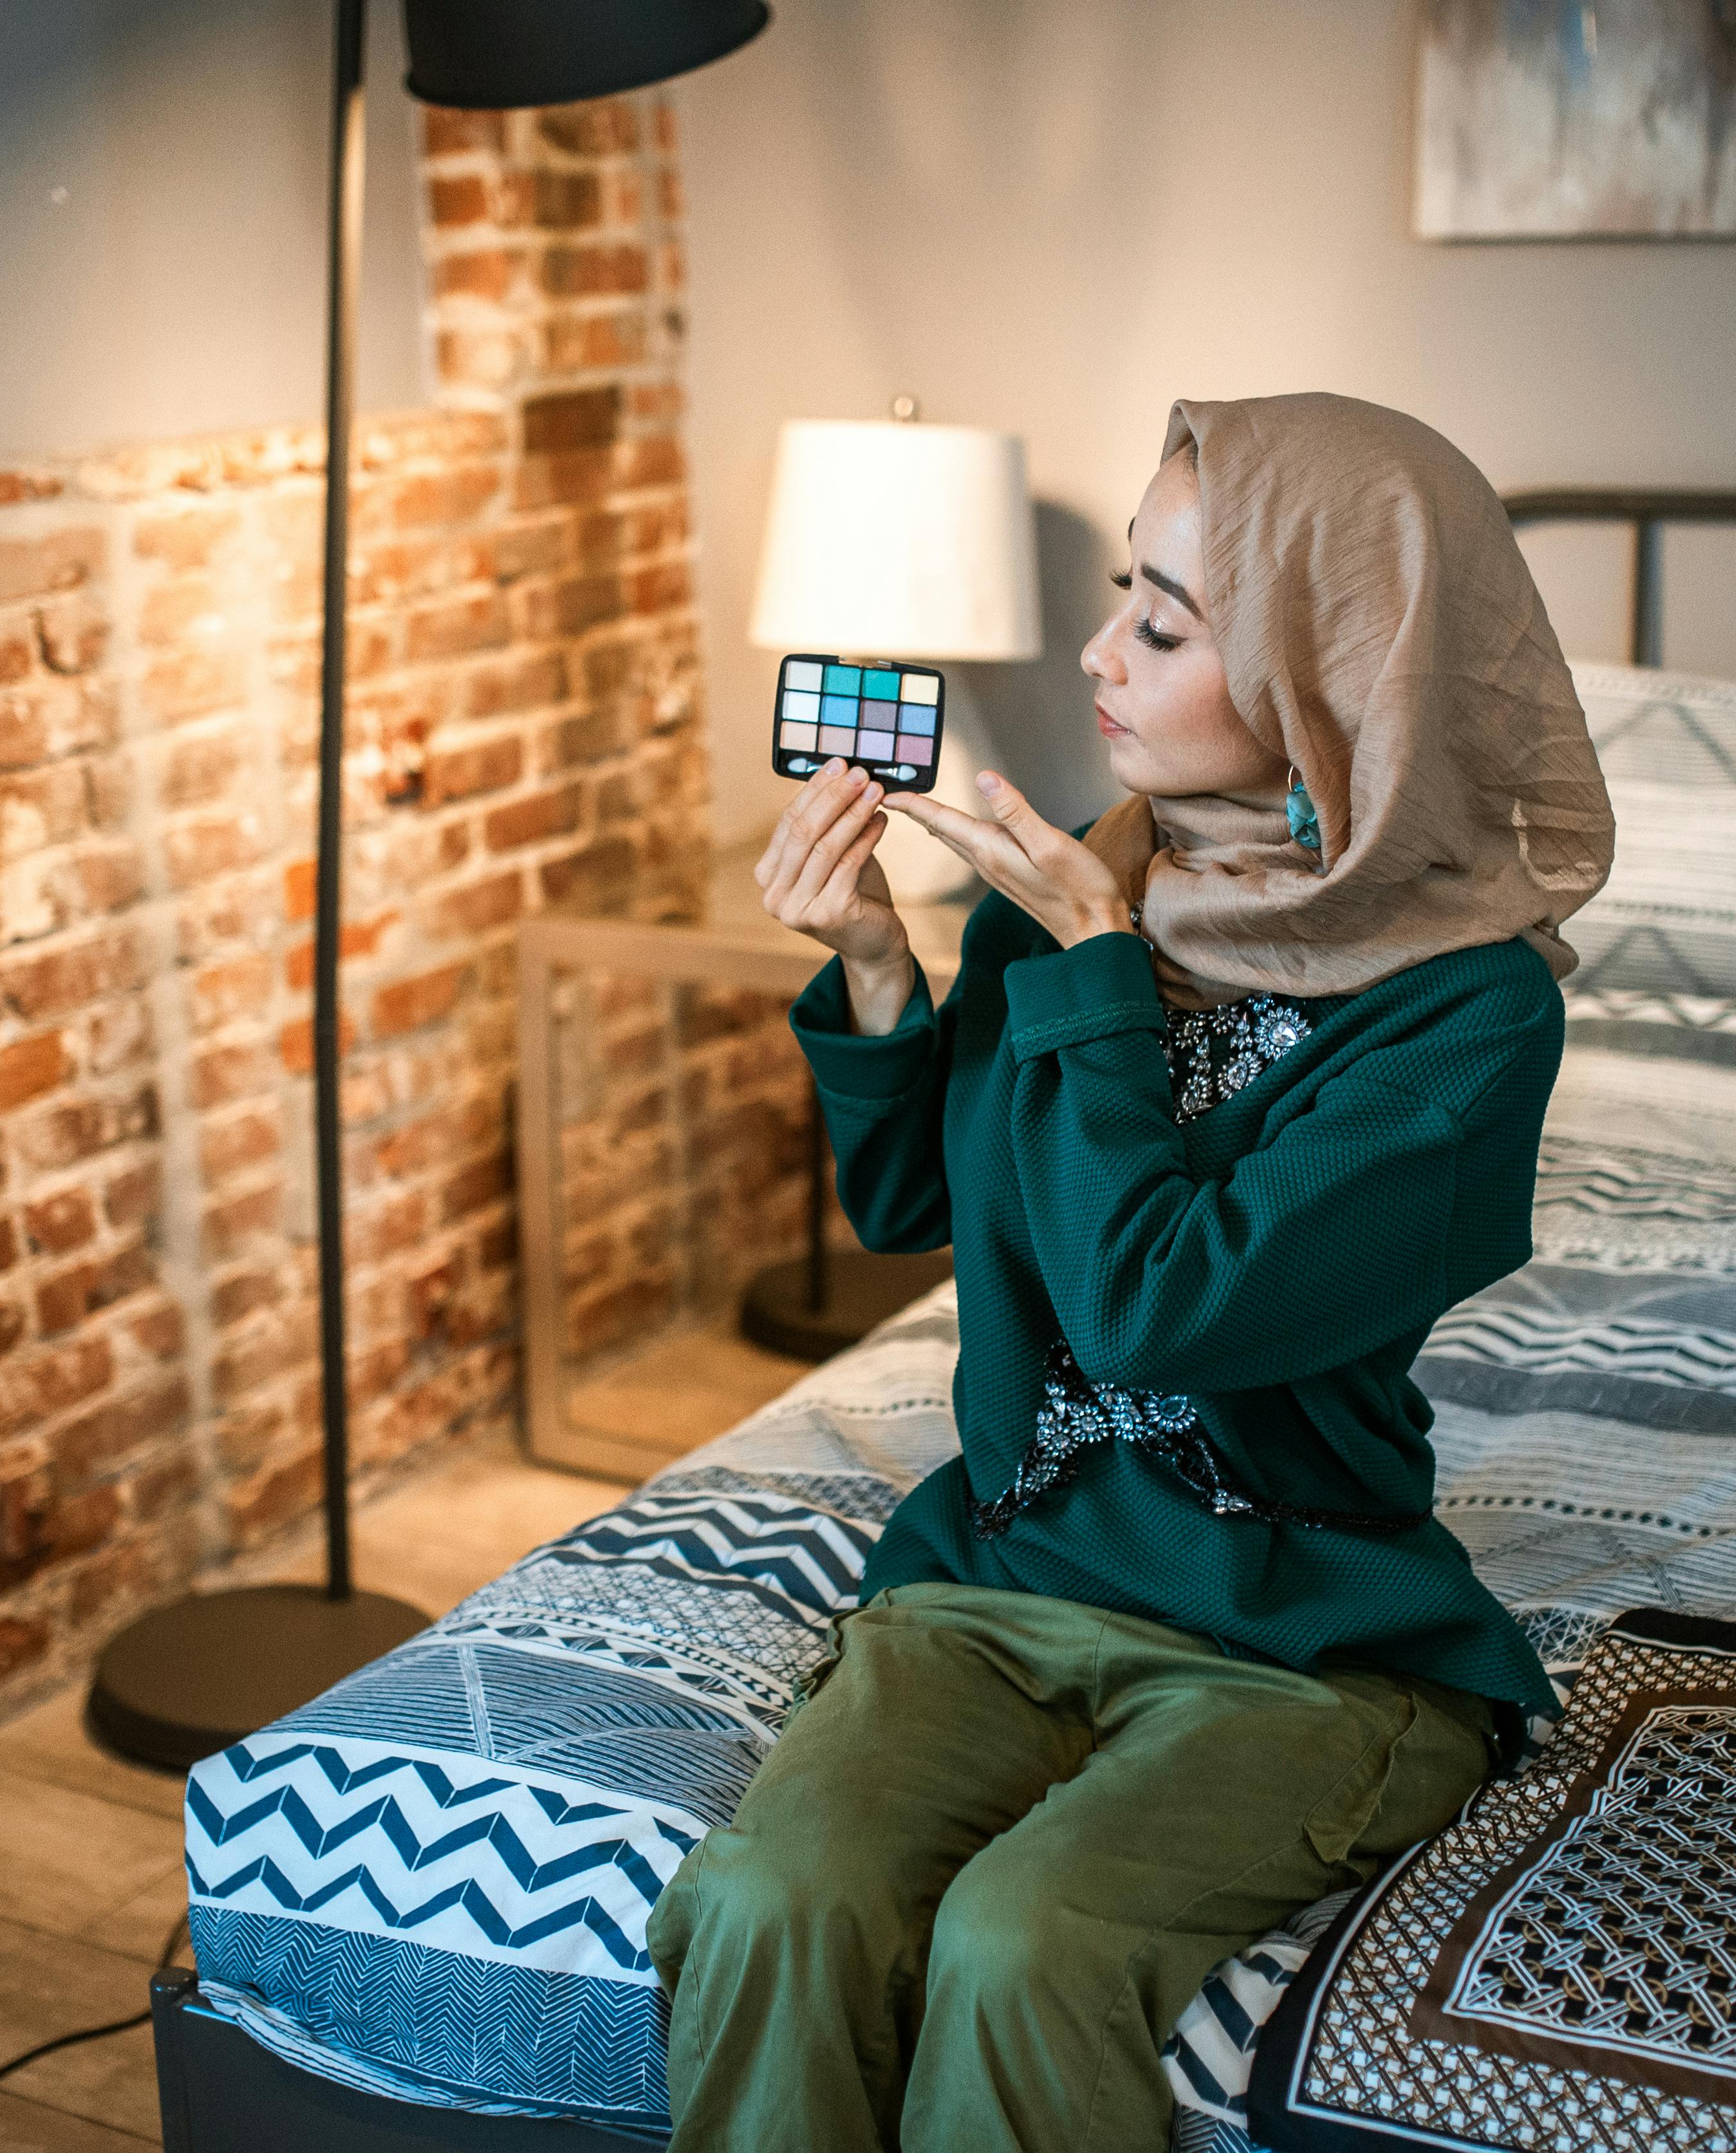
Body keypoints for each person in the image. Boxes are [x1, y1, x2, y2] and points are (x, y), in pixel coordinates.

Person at [645, 393, 1615, 2152]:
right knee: (760, 1902)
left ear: (1326, 681)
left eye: (1161, 625)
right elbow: (910, 1203)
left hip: (1295, 1638)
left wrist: (1090, 970)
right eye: (1120, 596)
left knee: (1023, 1943)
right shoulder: (1077, 891)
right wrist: (874, 960)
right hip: (996, 1578)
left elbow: (1159, 1306)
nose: (1095, 654)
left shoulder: (1464, 1015)